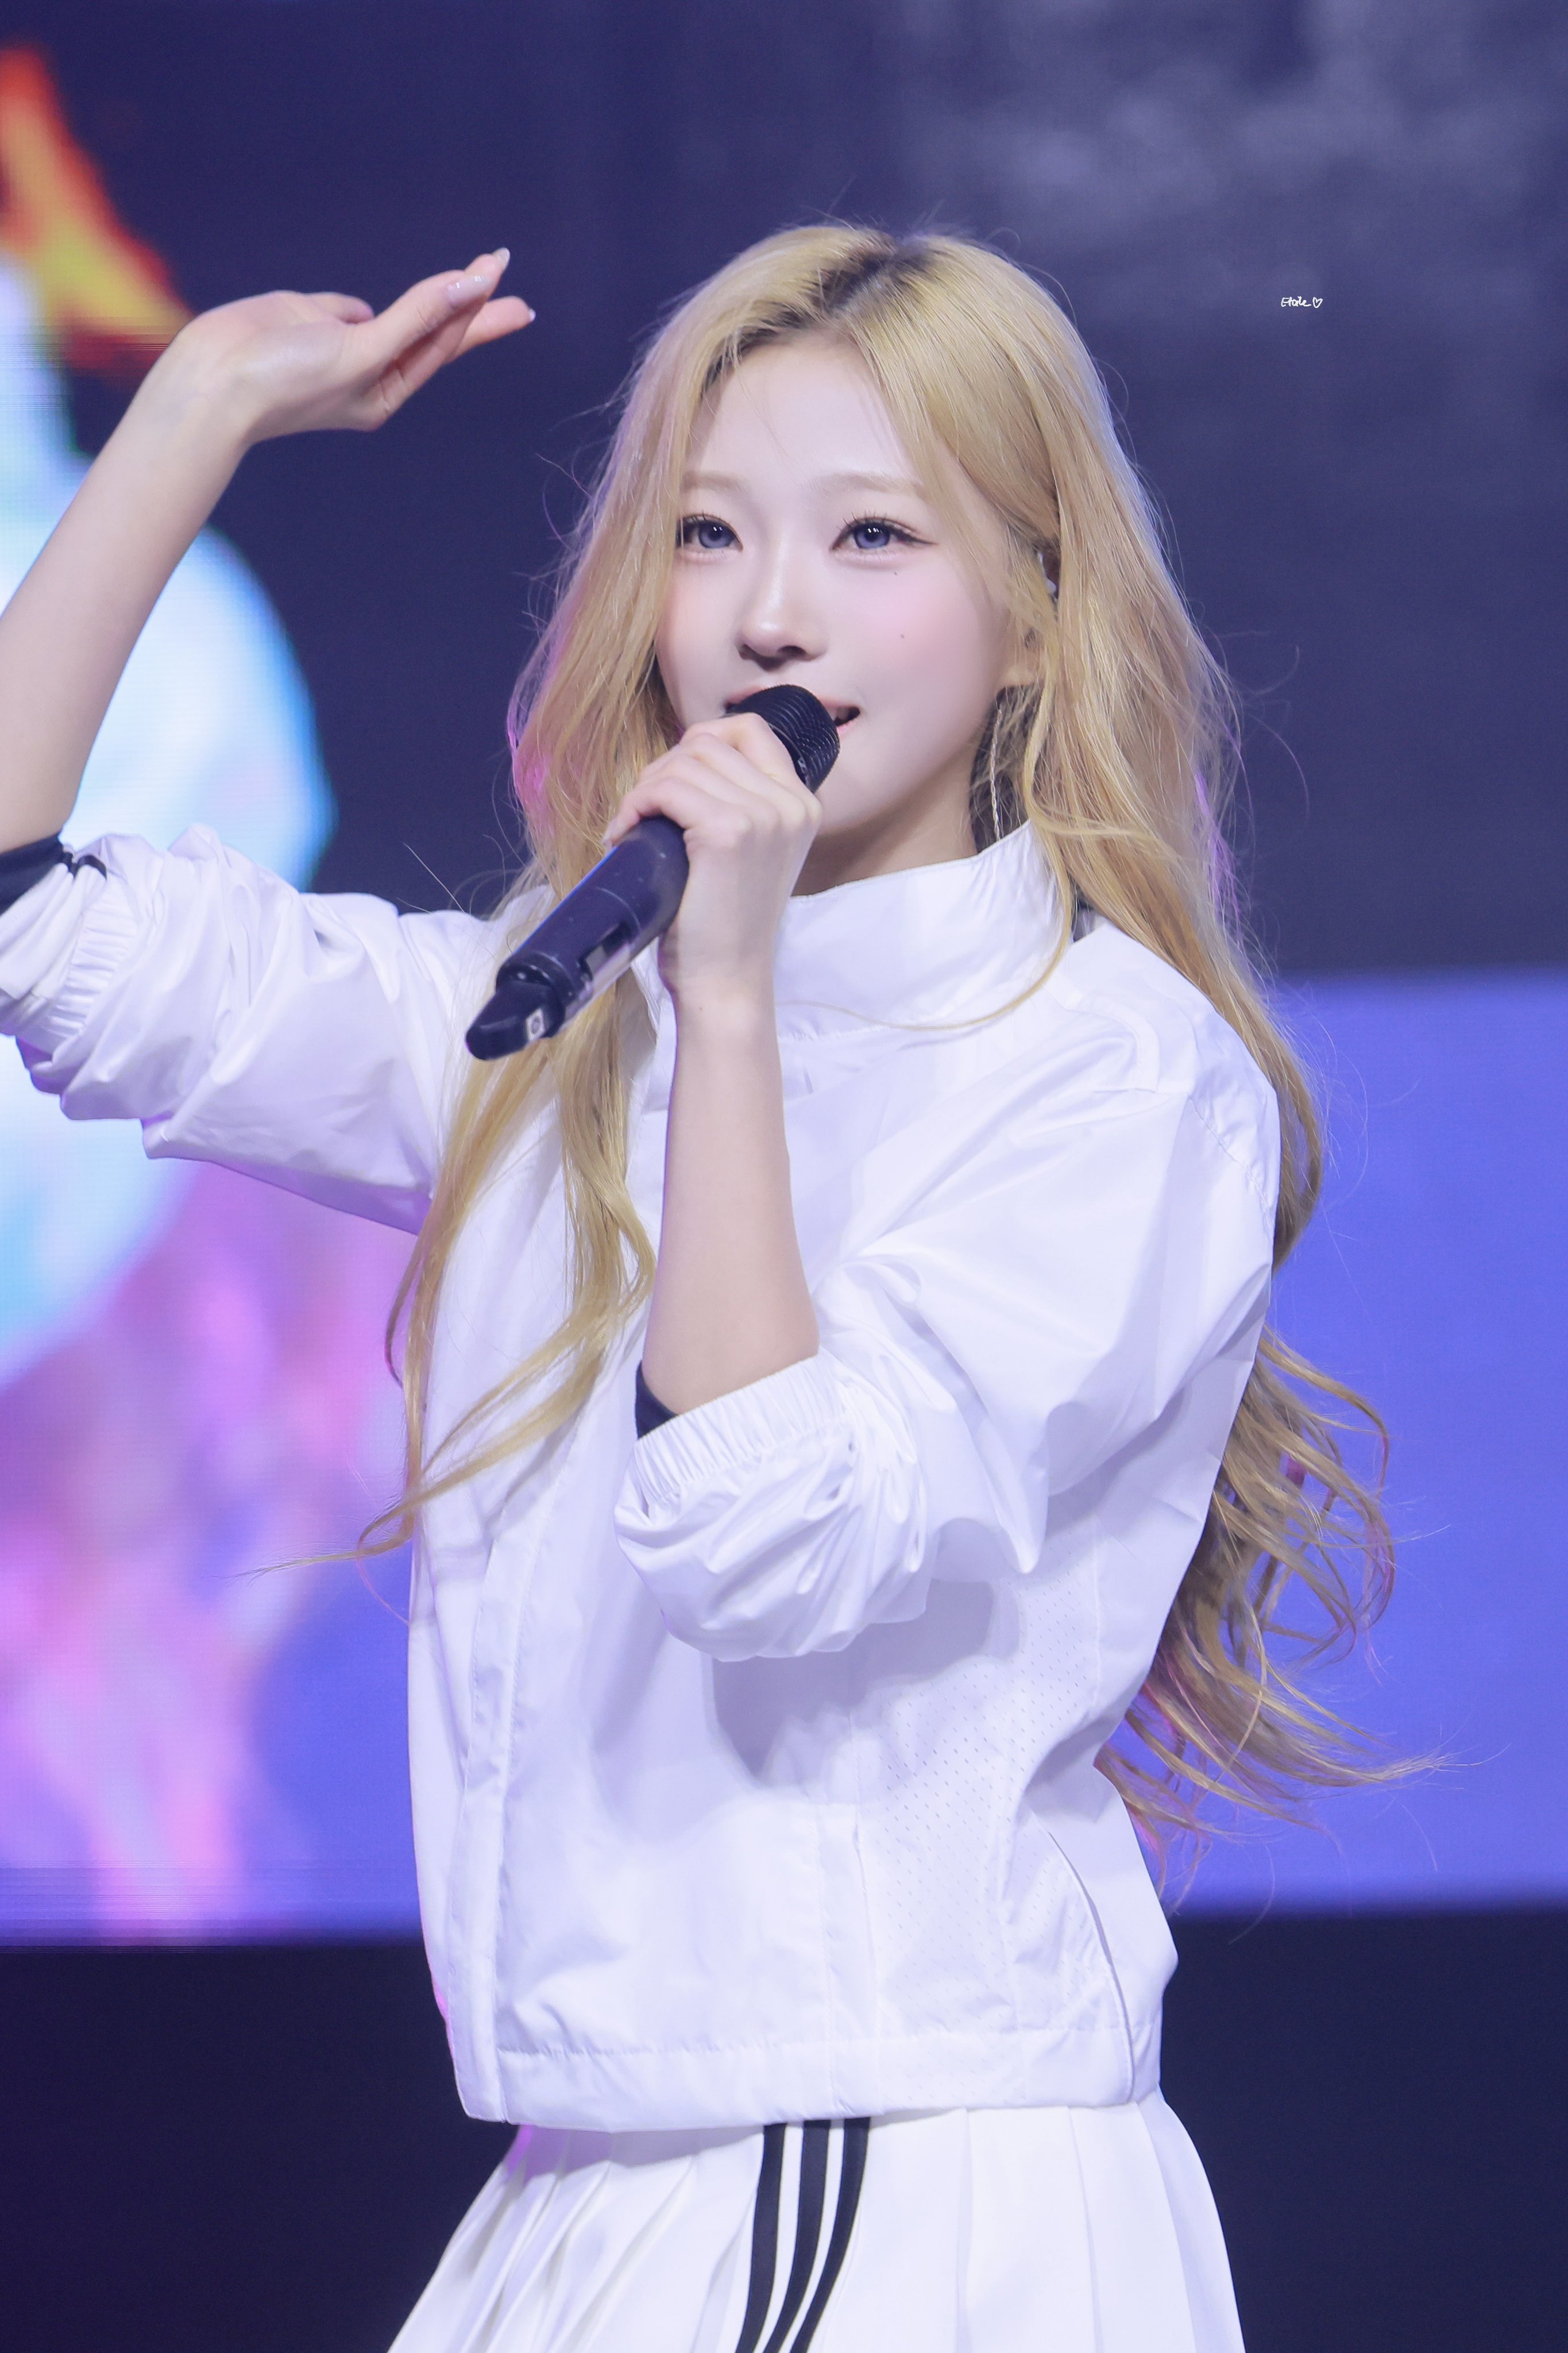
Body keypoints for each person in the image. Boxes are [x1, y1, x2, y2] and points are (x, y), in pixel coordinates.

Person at [0, 225, 1393, 2351]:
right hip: (606, 2174)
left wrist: (724, 999)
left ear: (1034, 614)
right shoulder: (560, 1015)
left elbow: (765, 1532)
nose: (767, 615)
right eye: (708, 532)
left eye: (870, 538)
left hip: (875, 2163)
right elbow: (34, 926)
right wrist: (189, 420)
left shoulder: (1107, 1074)